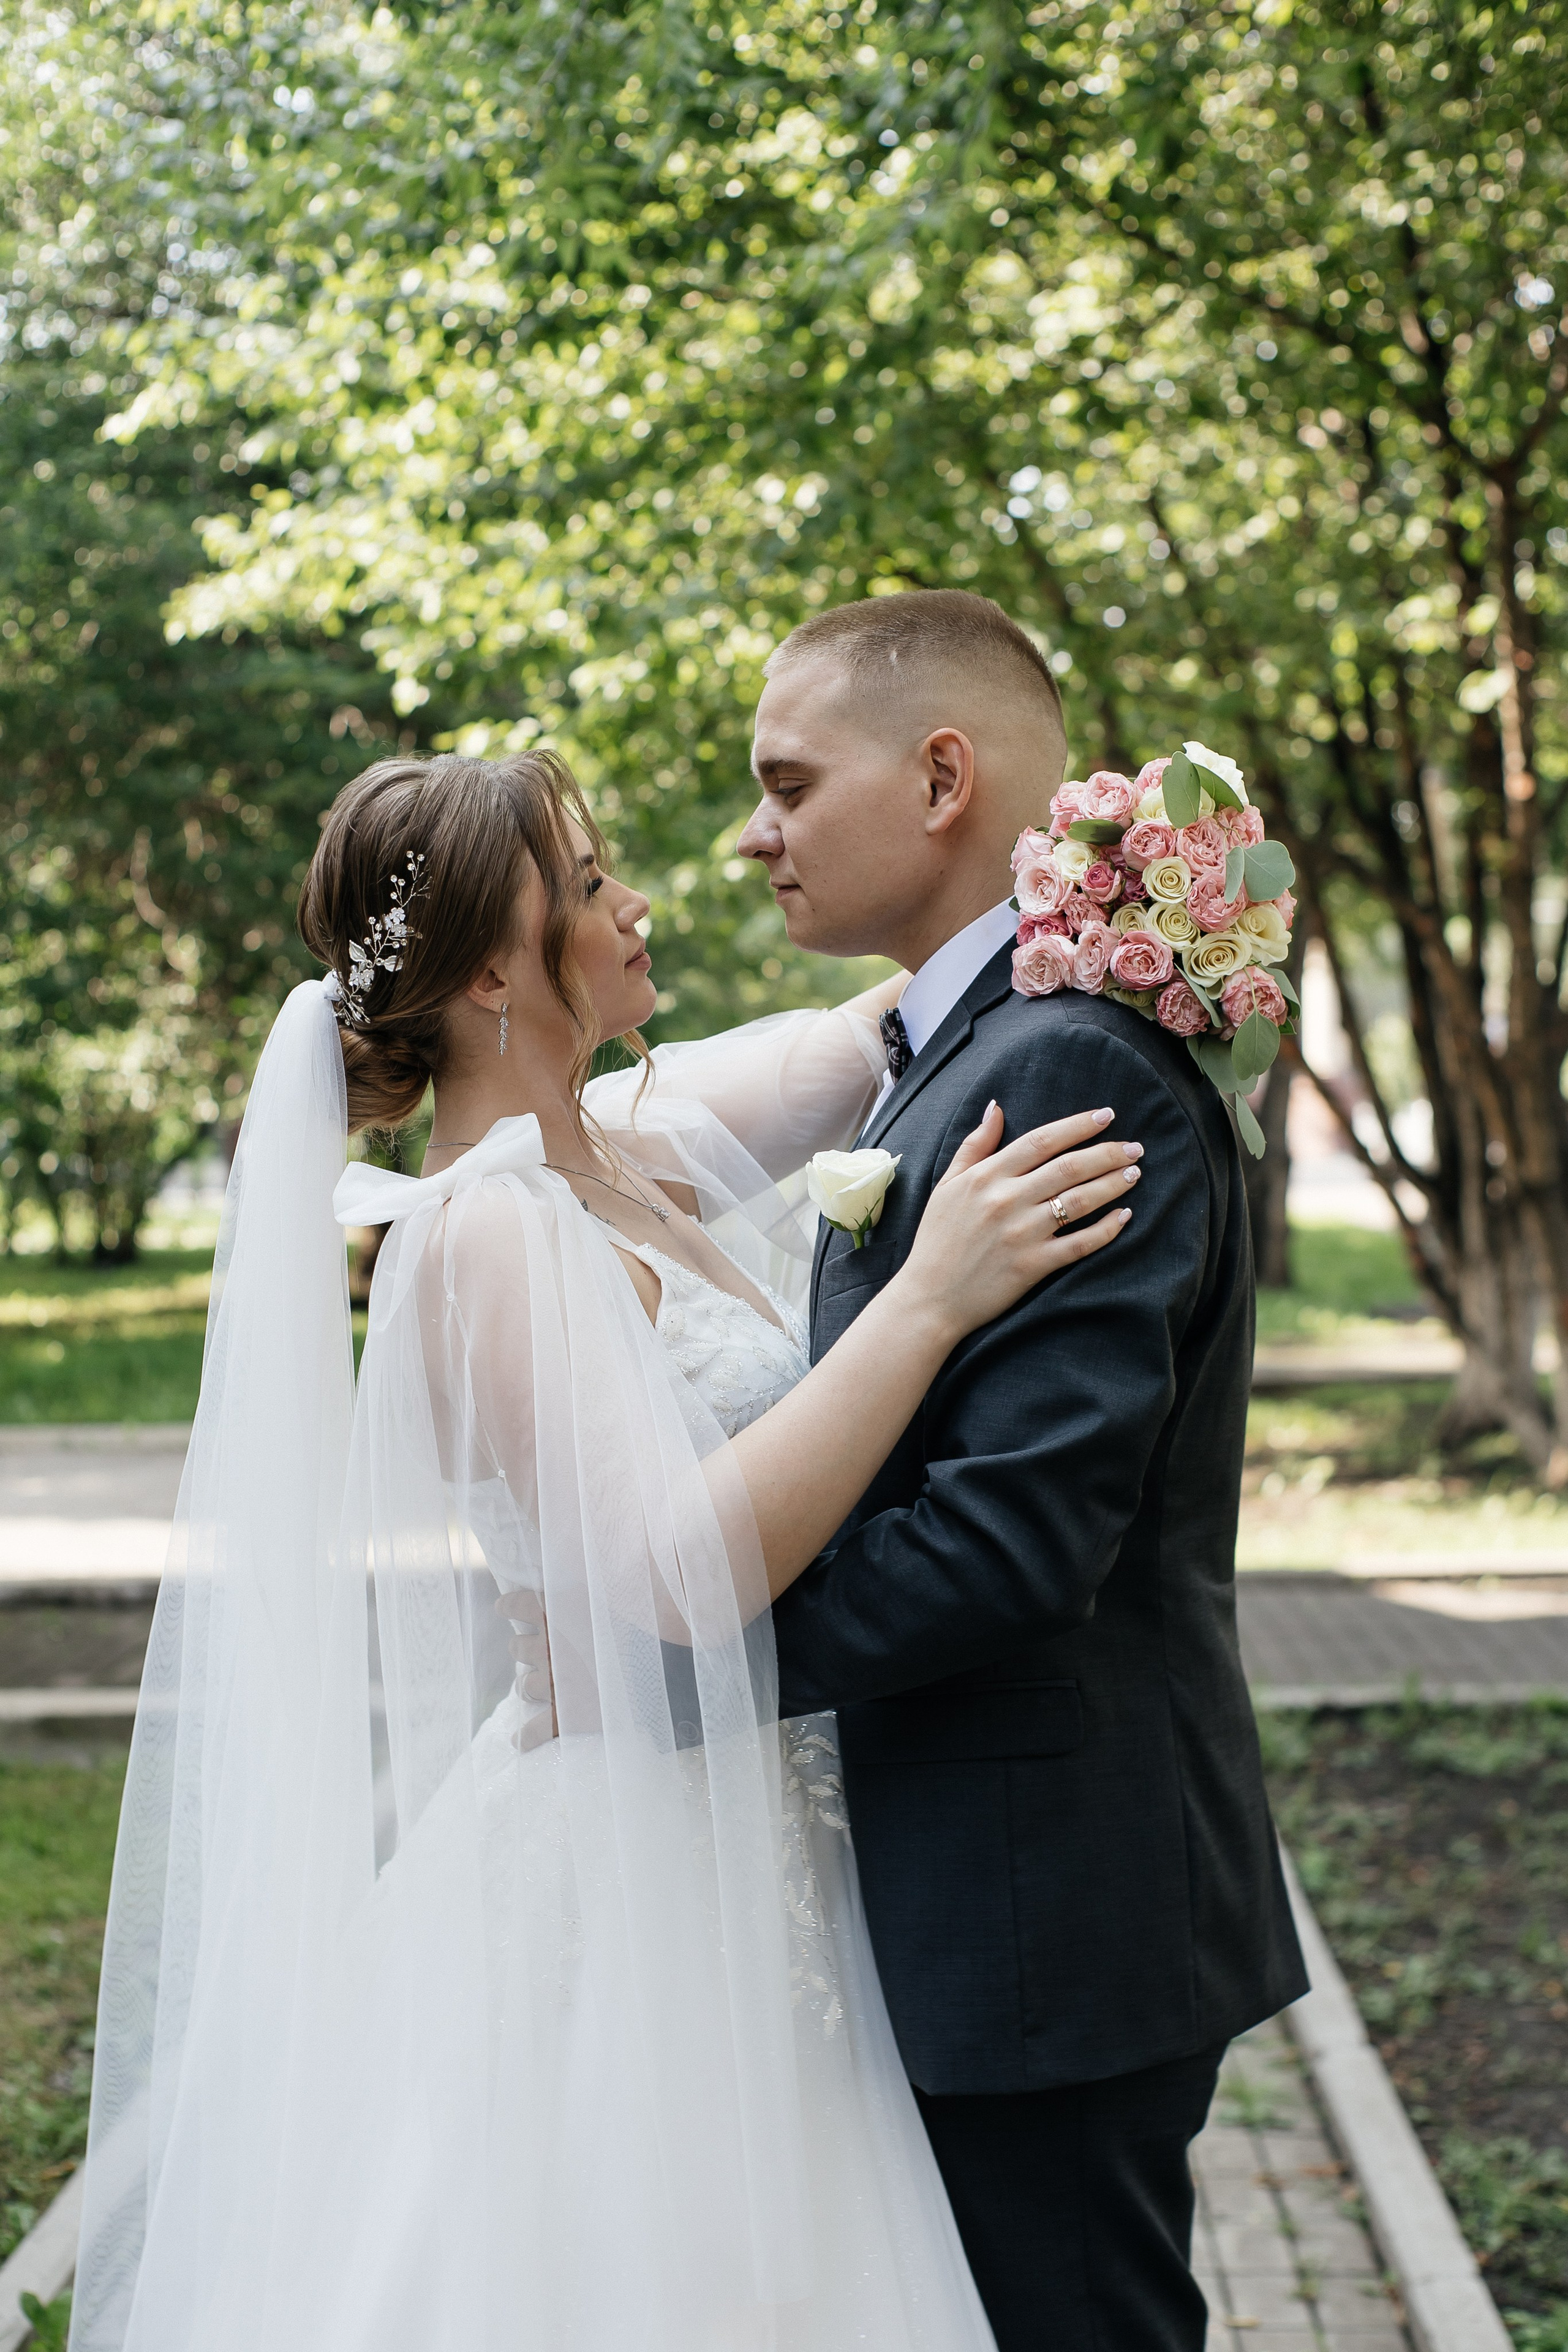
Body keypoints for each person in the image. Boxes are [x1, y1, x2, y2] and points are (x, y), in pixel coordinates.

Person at [69, 744, 1142, 2352]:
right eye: (585, 886)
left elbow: (885, 1024)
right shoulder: (485, 1229)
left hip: (768, 1817)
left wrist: (1121, 879)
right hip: (639, 1869)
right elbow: (669, 1569)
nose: (636, 902)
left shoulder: (639, 1139)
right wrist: (925, 1303)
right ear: (495, 973)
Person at [738, 589, 1309, 2352]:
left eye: (787, 784)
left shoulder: (1063, 1063)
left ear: (940, 780)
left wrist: (682, 1651)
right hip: (998, 1893)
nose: (754, 834)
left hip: (1042, 1912)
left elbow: (1011, 1543)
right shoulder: (973, 1045)